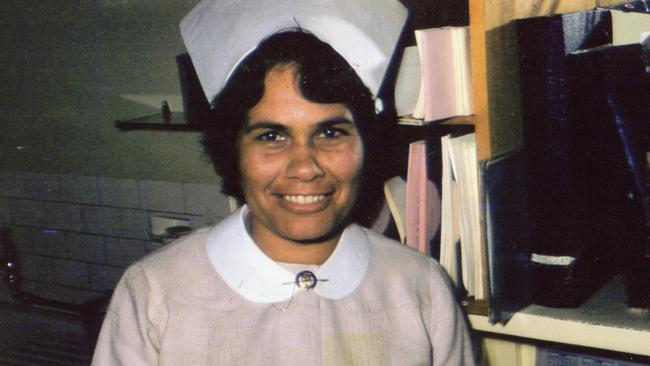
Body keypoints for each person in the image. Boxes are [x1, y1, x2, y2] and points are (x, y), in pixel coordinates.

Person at [92, 1, 475, 365]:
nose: (305, 167)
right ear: (232, 150)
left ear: (366, 146)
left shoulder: (421, 287)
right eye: (271, 136)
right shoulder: (154, 291)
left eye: (330, 133)